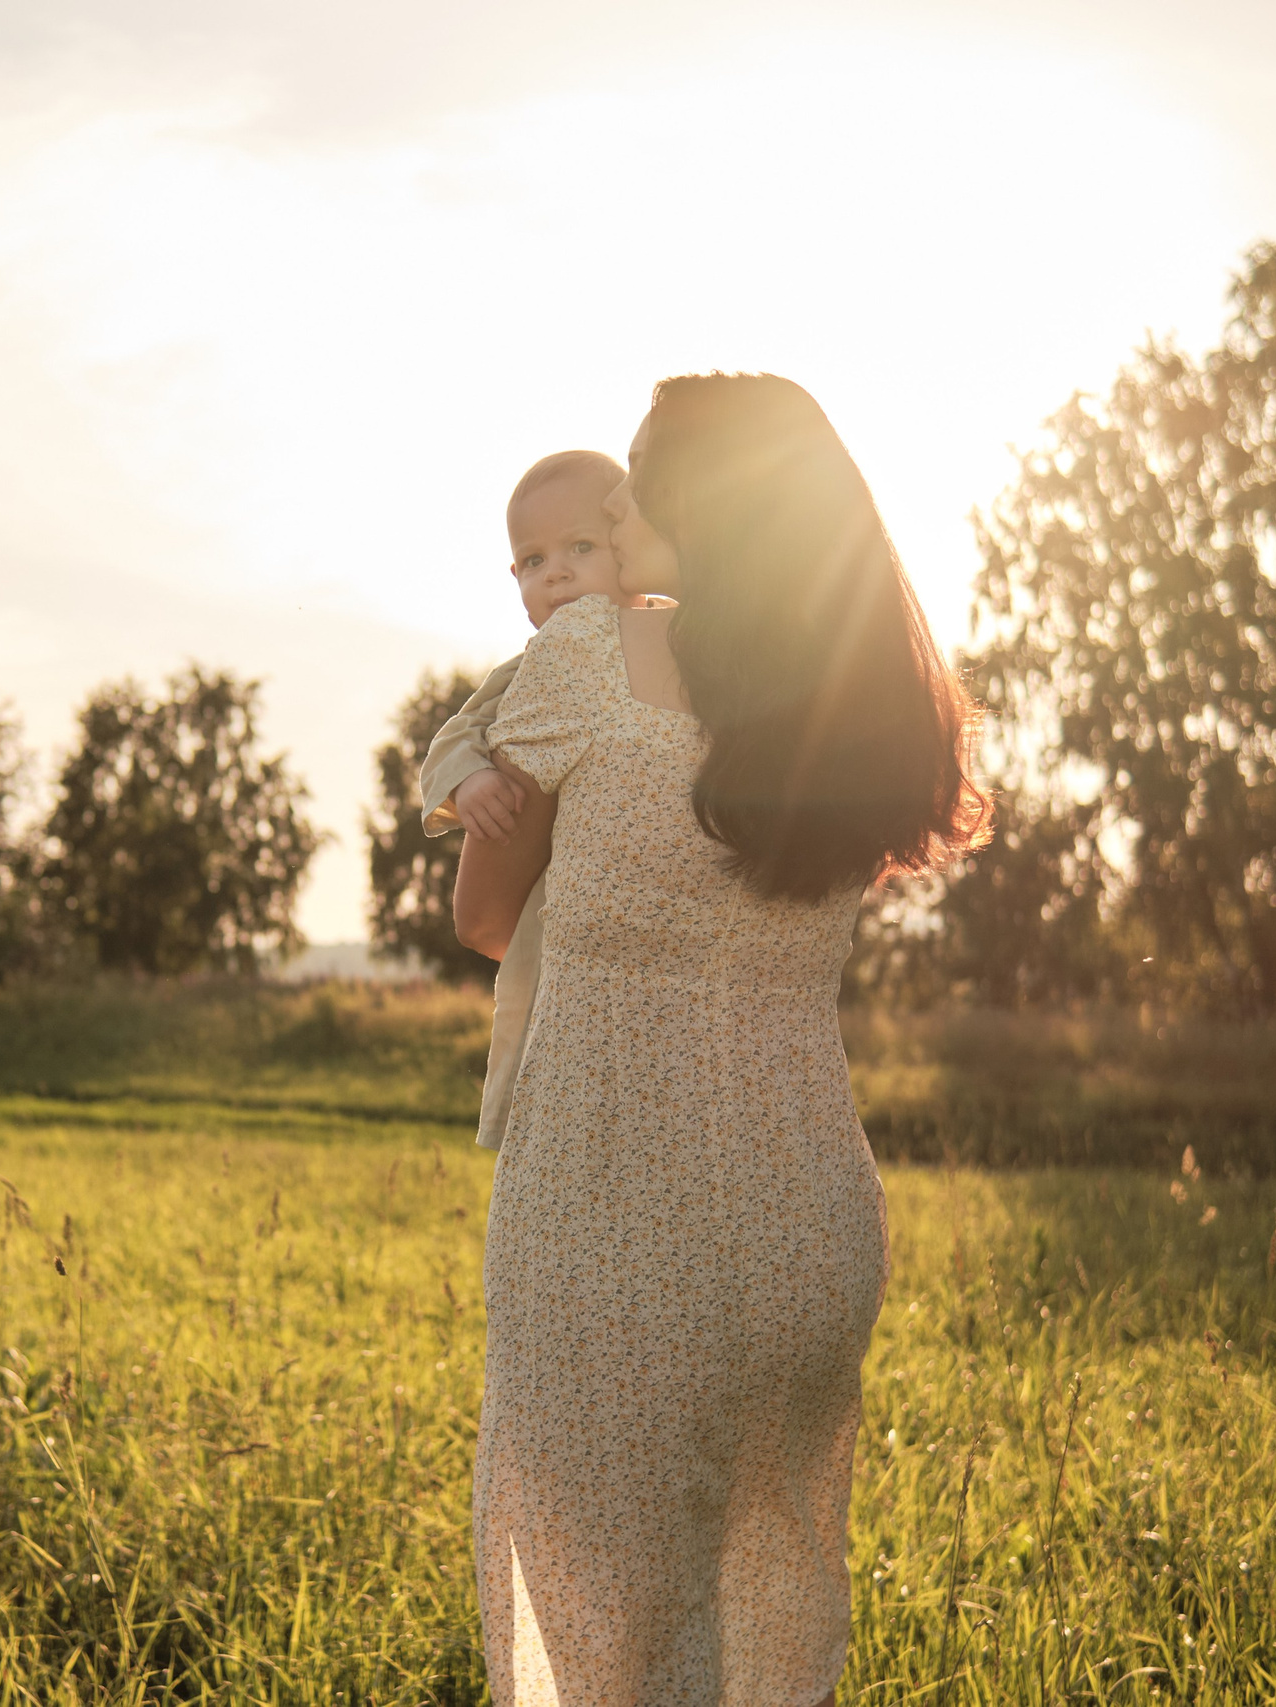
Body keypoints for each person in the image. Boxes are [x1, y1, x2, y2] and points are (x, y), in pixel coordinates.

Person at [455, 373, 989, 1707]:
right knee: (761, 1621)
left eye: (640, 475)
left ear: (707, 503)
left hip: (611, 1217)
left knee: (608, 1636)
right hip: (807, 1228)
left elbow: (480, 914)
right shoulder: (864, 716)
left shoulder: (586, 661)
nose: (618, 508)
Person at [419, 448, 635, 1149]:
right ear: (516, 578)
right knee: (536, 1011)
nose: (559, 573)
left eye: (580, 547)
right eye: (535, 561)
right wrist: (469, 778)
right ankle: (526, 1128)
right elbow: (459, 731)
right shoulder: (536, 665)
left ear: (625, 548)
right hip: (559, 898)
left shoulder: (666, 640)